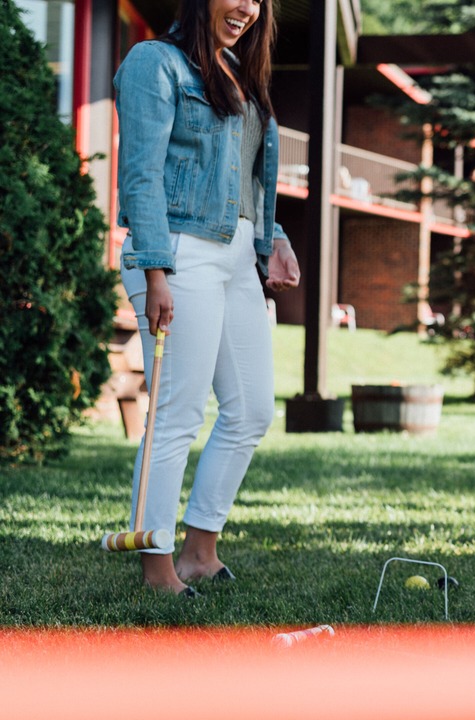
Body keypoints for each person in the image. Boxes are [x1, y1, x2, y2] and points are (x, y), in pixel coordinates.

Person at [114, 0, 299, 595]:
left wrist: (273, 238)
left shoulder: (238, 73)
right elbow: (140, 173)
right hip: (177, 249)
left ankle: (200, 551)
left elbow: (247, 177)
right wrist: (155, 271)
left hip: (237, 257)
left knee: (251, 410)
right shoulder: (155, 62)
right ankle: (156, 567)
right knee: (177, 413)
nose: (247, 8)